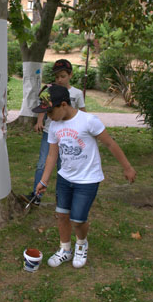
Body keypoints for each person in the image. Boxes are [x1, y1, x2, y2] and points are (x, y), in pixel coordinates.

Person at [34, 84, 136, 269]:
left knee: (78, 219)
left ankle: (81, 244)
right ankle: (65, 249)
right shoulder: (55, 125)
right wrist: (44, 180)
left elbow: (111, 144)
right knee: (61, 215)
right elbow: (52, 155)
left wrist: (127, 167)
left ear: (63, 104)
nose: (48, 116)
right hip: (65, 178)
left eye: (50, 111)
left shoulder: (89, 121)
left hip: (87, 180)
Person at [21, 59, 86, 207]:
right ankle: (36, 196)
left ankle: (62, 198)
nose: (59, 80)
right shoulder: (50, 90)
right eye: (57, 77)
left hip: (69, 137)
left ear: (70, 75)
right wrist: (39, 121)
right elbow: (43, 108)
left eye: (63, 76)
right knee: (42, 163)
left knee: (63, 166)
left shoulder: (76, 93)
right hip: (49, 134)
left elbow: (82, 113)